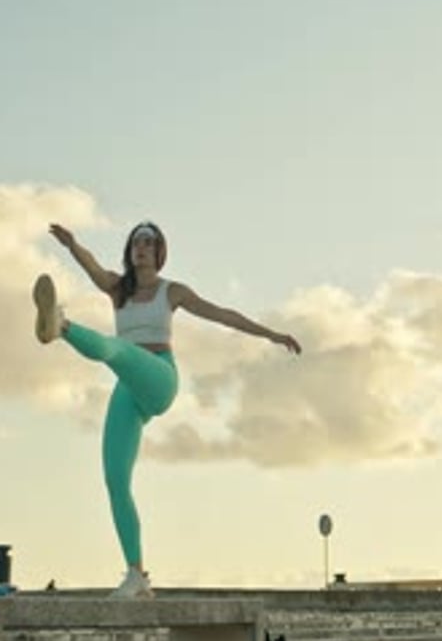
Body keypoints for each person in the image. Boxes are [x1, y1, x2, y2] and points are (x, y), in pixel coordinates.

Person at [32, 220, 302, 599]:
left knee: (117, 350)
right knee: (115, 480)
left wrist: (271, 334)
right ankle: (137, 574)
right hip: (129, 388)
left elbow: (222, 314)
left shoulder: (171, 292)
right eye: (136, 243)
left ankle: (60, 326)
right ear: (130, 252)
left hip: (159, 377)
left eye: (149, 243)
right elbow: (91, 265)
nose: (141, 248)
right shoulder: (117, 288)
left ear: (160, 253)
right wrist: (72, 244)